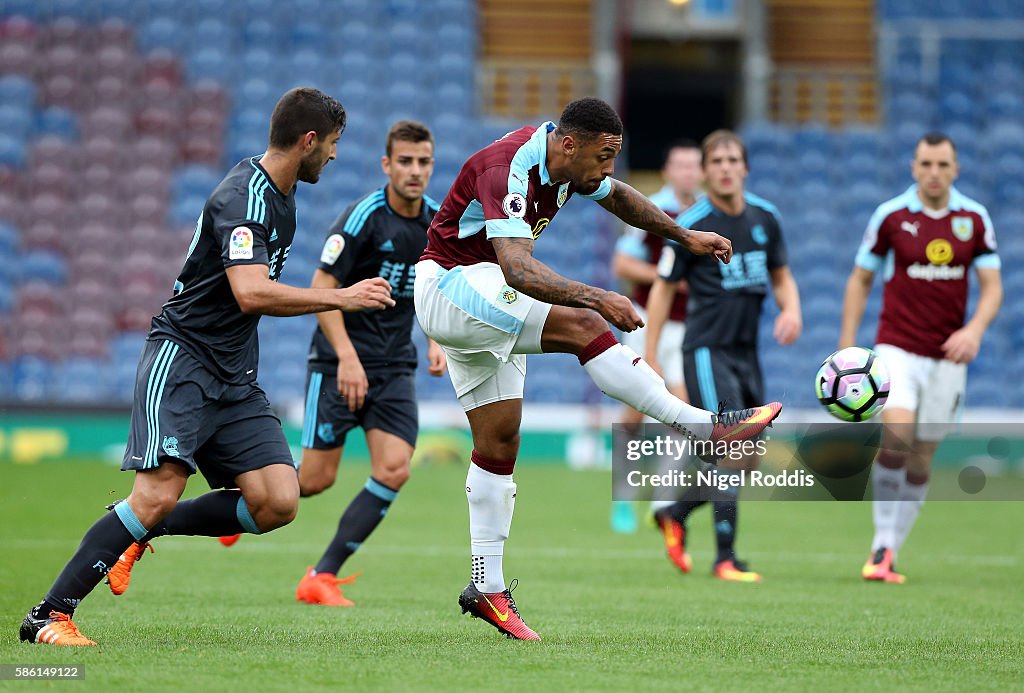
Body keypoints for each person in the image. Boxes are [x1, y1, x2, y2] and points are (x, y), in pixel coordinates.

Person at [19, 87, 395, 647]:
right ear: (309, 141)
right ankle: (49, 616)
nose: (336, 156)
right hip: (184, 361)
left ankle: (142, 530)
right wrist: (343, 297)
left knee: (278, 500)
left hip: (233, 374)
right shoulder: (243, 198)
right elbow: (250, 292)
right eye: (334, 144)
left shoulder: (284, 196)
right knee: (154, 495)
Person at [413, 98, 783, 640]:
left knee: (498, 443)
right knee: (585, 326)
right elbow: (516, 268)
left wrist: (684, 236)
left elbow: (622, 199)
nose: (608, 167)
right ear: (570, 144)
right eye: (604, 156)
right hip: (452, 286)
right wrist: (597, 296)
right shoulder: (509, 166)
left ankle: (485, 587)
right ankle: (705, 428)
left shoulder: (570, 164)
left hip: (484, 297)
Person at [291, 120, 447, 606]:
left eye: (423, 162)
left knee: (395, 468)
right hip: (338, 363)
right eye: (405, 161)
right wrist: (348, 359)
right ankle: (239, 500)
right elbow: (320, 290)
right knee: (313, 482)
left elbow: (442, 288)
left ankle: (320, 576)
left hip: (394, 367)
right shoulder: (362, 218)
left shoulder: (437, 224)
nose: (414, 170)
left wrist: (438, 338)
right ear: (387, 165)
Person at [840, 131, 1001, 584]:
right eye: (926, 164)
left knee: (922, 457)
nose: (933, 173)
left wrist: (974, 330)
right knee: (898, 434)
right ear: (913, 167)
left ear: (955, 169)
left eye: (942, 165)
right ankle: (881, 544)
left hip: (949, 356)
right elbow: (860, 278)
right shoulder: (891, 216)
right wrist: (849, 342)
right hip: (897, 345)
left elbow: (992, 287)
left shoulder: (974, 218)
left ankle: (890, 548)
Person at [644, 129, 802, 583]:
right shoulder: (691, 223)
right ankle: (725, 558)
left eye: (734, 159)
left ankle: (676, 511)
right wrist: (652, 353)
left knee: (749, 454)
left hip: (746, 353)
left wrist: (791, 309)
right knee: (732, 444)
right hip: (706, 351)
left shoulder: (765, 218)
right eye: (717, 161)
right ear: (707, 171)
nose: (726, 167)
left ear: (745, 167)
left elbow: (783, 275)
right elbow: (663, 288)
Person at [609, 139, 702, 534]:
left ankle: (662, 502)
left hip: (686, 328)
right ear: (668, 171)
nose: (687, 172)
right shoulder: (651, 210)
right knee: (634, 414)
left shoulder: (705, 213)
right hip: (646, 320)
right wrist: (668, 278)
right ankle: (623, 499)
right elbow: (622, 263)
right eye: (679, 165)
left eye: (693, 166)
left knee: (681, 413)